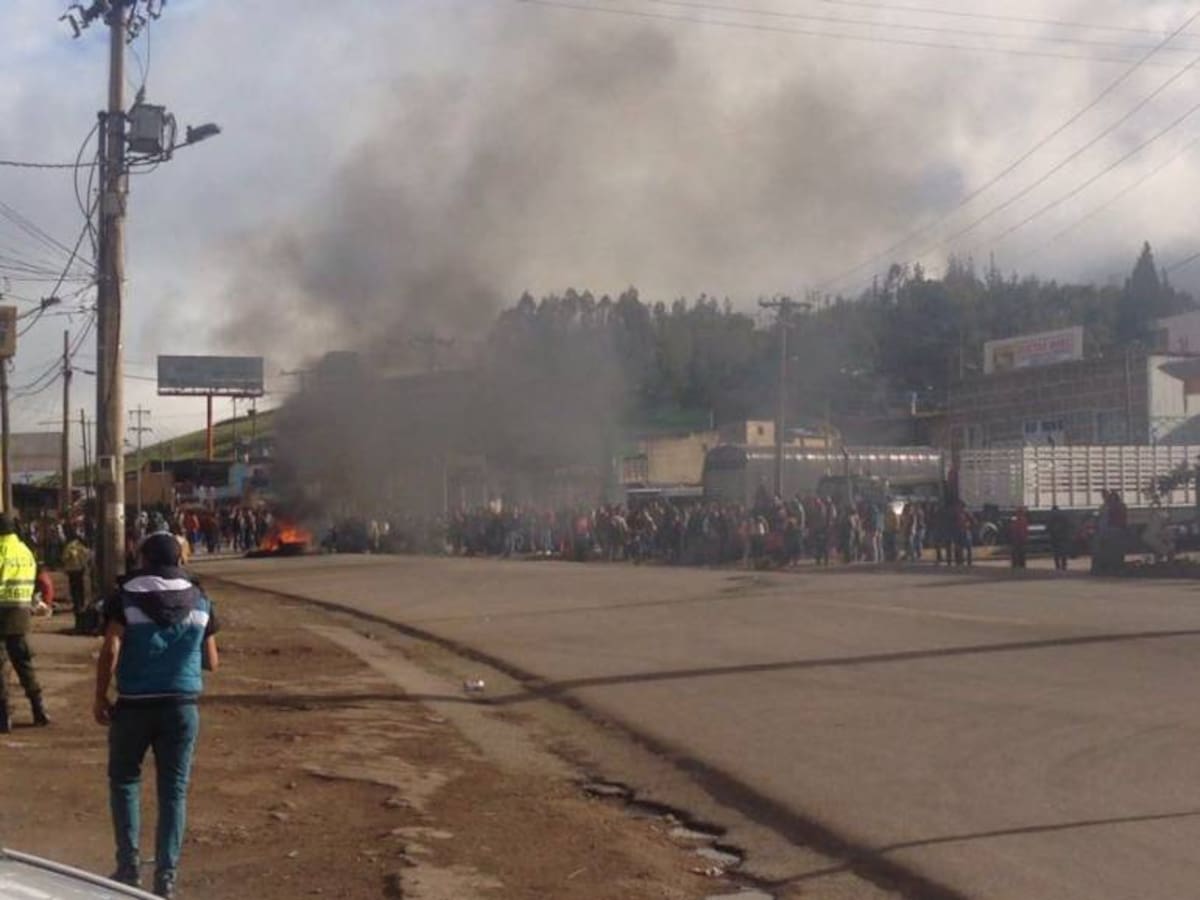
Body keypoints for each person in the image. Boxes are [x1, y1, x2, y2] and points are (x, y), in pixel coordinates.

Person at [94, 532, 220, 898]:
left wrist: (100, 696)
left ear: (144, 560)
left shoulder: (125, 598)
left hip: (133, 706)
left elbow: (110, 648)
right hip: (181, 707)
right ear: (178, 561)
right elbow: (212, 661)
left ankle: (128, 866)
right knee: (173, 791)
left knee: (124, 780)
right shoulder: (201, 600)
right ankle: (166, 876)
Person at [0, 514, 49, 733]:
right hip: (20, 612)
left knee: (1, 667)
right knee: (23, 663)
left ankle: (3, 716)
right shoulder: (25, 551)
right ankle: (39, 710)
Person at [62, 532, 92, 633]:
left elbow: (64, 557)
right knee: (81, 589)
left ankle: (77, 604)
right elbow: (87, 556)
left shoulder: (69, 546)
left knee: (74, 589)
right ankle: (81, 604)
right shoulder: (82, 547)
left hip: (71, 571)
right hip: (80, 570)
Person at [1047, 505, 1070, 571]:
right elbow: (1067, 525)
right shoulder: (1063, 516)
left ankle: (1057, 566)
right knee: (1063, 551)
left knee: (1056, 552)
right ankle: (1064, 565)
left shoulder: (1051, 517)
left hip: (1054, 537)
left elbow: (1048, 527)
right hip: (1063, 536)